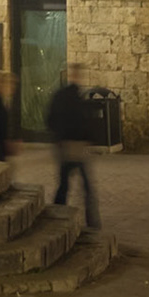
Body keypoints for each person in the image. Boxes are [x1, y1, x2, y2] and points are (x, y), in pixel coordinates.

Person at [44, 63, 100, 229]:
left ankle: (58, 216)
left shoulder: (66, 95)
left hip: (70, 145)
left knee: (68, 184)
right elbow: (72, 121)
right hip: (71, 146)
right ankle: (90, 221)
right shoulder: (70, 96)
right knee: (77, 185)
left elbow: (51, 119)